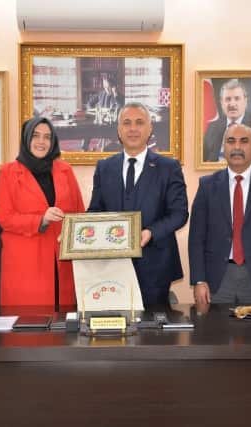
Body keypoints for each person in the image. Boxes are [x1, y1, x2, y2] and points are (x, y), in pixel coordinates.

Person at [88, 102, 189, 307]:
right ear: (119, 130)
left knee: (152, 325)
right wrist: (78, 232)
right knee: (116, 323)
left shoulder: (169, 167)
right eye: (127, 123)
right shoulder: (104, 167)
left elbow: (179, 213)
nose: (133, 128)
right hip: (112, 267)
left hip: (156, 267)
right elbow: (95, 210)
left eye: (139, 122)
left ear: (150, 129)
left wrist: (151, 232)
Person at [189, 124, 251, 306]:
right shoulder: (207, 186)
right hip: (217, 280)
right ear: (224, 147)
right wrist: (199, 280)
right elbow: (196, 239)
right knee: (213, 325)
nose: (237, 147)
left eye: (244, 141)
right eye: (231, 141)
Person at [0, 117, 85, 307]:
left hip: (62, 261)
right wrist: (40, 220)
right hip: (26, 264)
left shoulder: (65, 170)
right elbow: (4, 217)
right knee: (29, 321)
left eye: (47, 137)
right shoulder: (8, 172)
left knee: (63, 320)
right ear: (26, 139)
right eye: (35, 135)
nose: (41, 141)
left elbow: (79, 213)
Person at [203, 79, 251, 162]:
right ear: (221, 103)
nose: (232, 104)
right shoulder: (212, 127)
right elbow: (203, 160)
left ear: (245, 101)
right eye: (228, 99)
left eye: (237, 98)